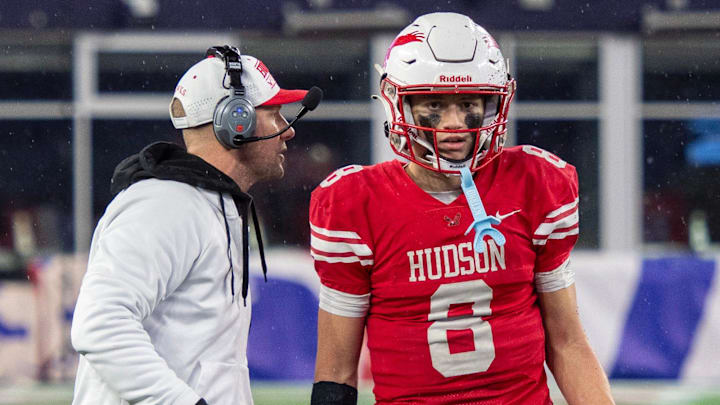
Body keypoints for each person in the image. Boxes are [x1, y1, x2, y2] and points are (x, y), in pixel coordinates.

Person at [309, 13, 615, 405]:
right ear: (398, 103)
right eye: (435, 104)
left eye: (468, 103)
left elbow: (568, 342)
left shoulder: (534, 184)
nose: (453, 124)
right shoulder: (355, 204)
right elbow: (336, 372)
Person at [71, 45, 318, 405]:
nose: (287, 131)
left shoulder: (205, 206)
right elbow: (100, 325)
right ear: (238, 120)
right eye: (275, 114)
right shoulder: (165, 205)